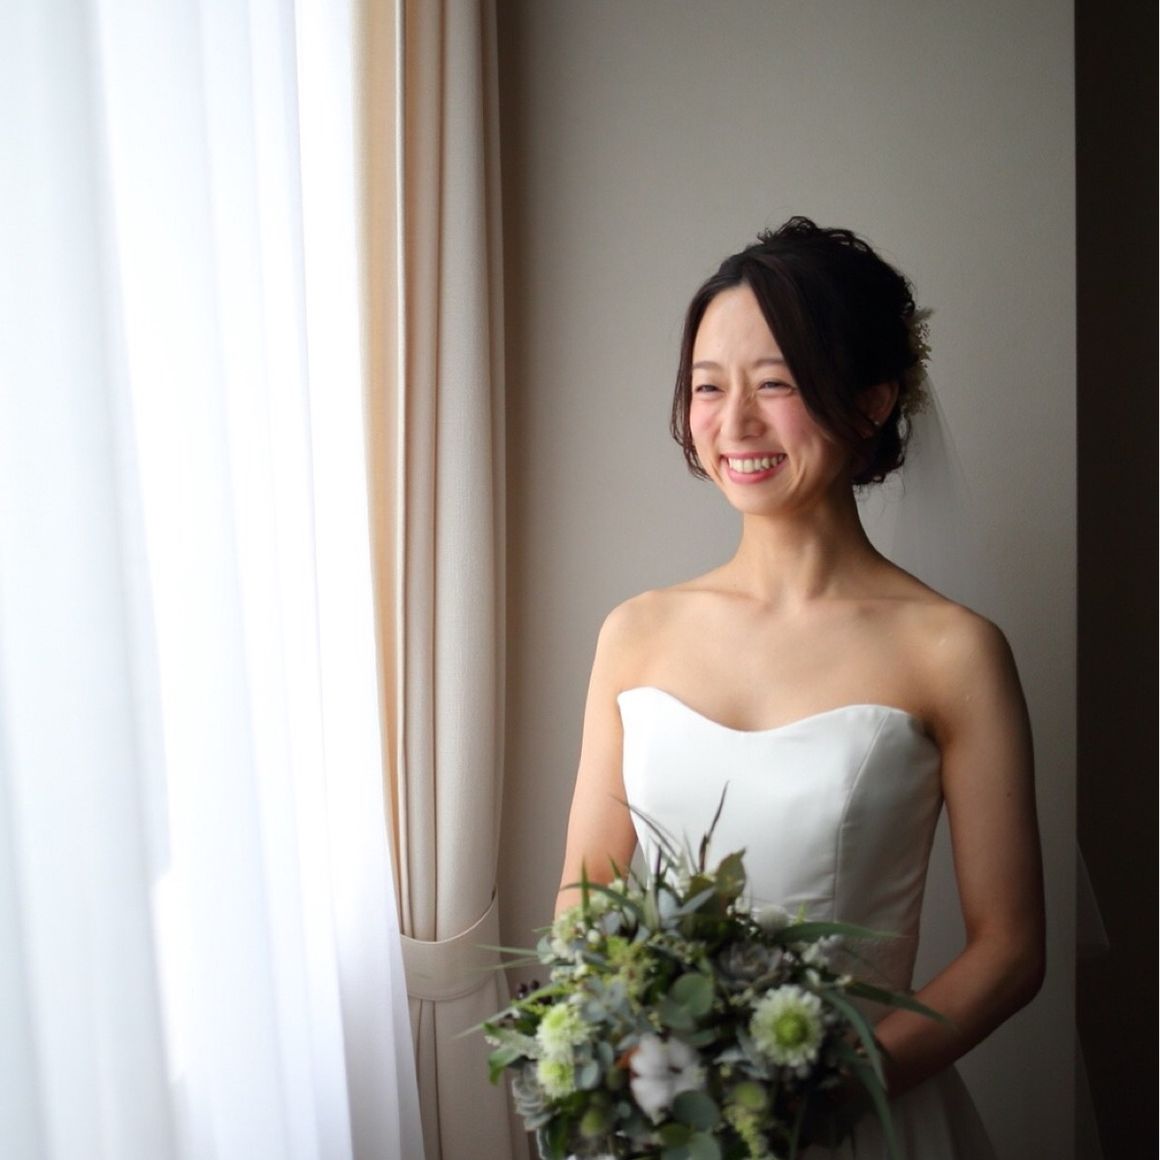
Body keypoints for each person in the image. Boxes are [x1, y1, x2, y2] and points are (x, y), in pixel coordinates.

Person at [555, 217, 1045, 1157]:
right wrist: (627, 1060)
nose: (734, 422)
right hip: (663, 1118)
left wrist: (823, 1095)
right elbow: (588, 894)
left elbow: (1011, 952)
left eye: (775, 384)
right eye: (709, 386)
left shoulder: (954, 651)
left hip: (859, 1114)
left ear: (869, 402)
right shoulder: (636, 633)